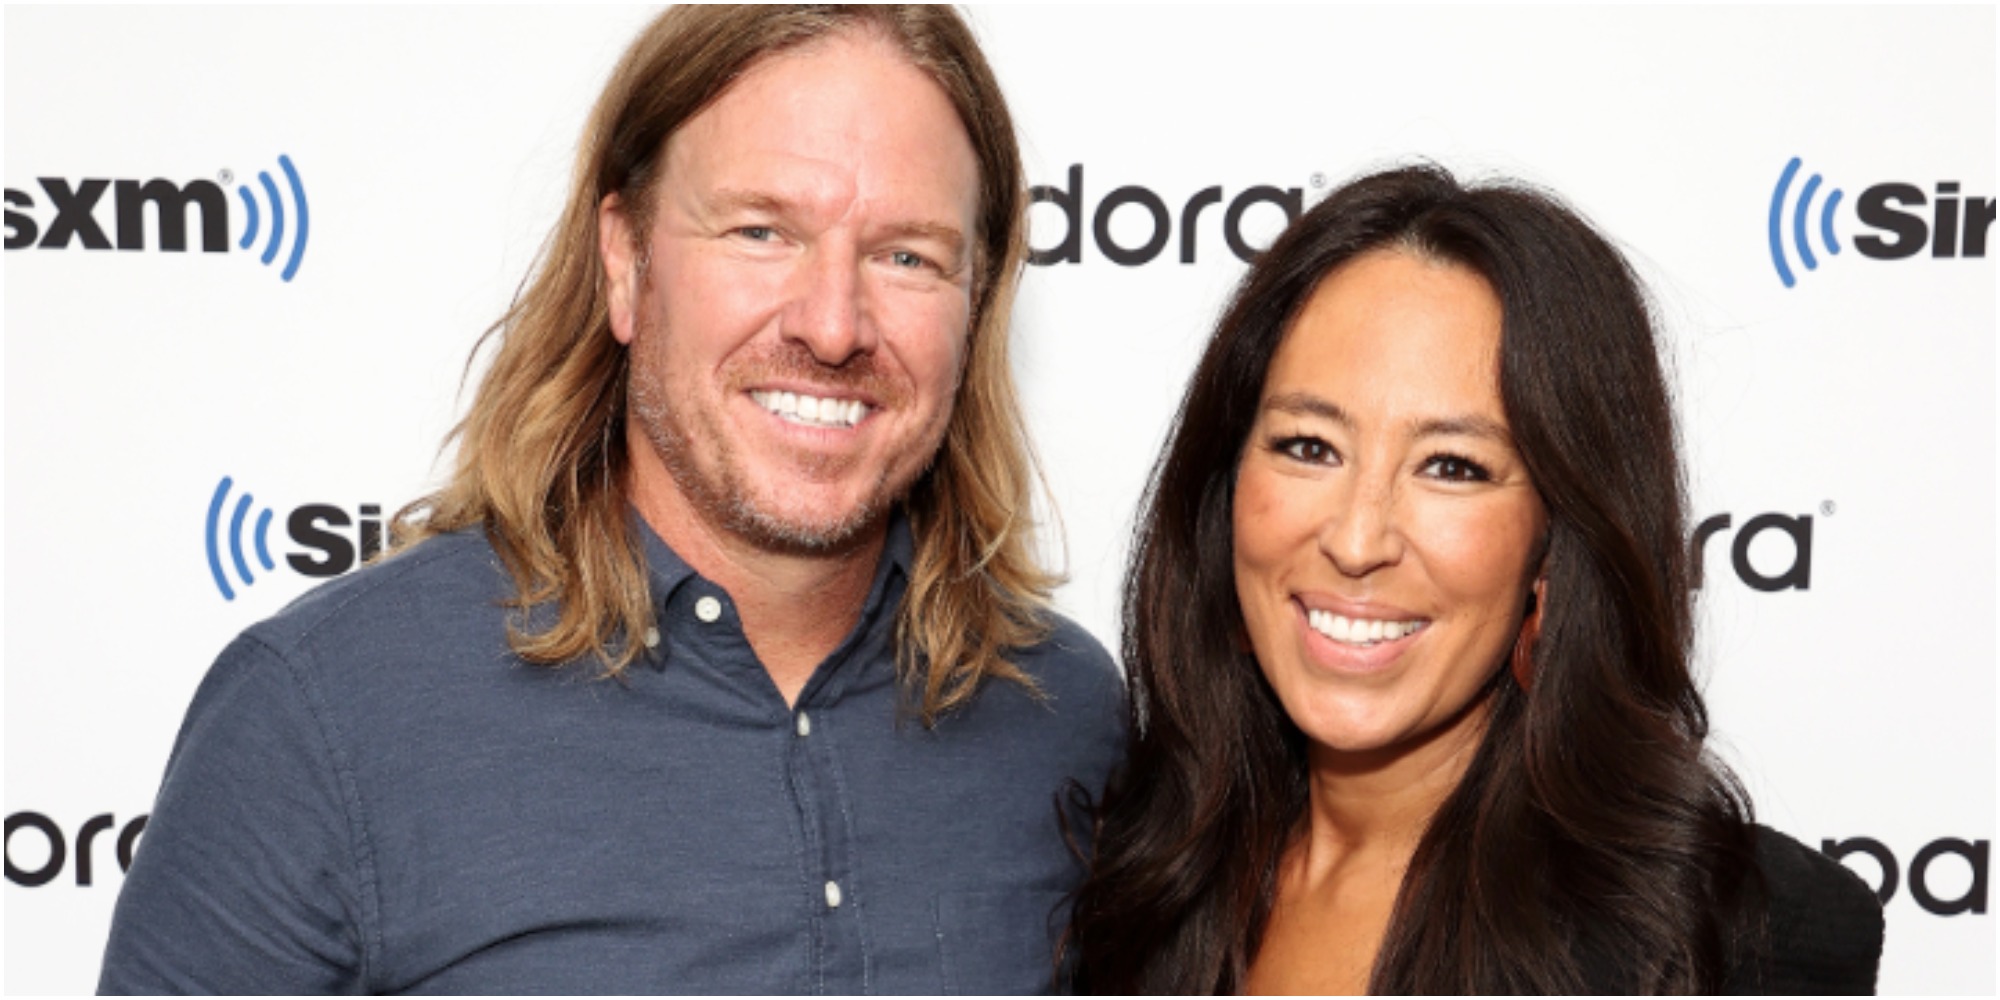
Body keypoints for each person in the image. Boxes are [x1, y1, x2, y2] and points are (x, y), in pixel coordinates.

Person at [99, 6, 1122, 994]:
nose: (833, 323)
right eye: (762, 231)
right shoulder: (323, 713)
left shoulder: (1065, 717)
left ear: (976, 300)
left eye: (906, 255)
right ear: (625, 263)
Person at [1064, 165, 1883, 994]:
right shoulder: (1121, 884)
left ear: (1556, 543)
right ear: (1225, 489)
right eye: (1309, 446)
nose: (1356, 539)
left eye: (1452, 466)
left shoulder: (1737, 936)